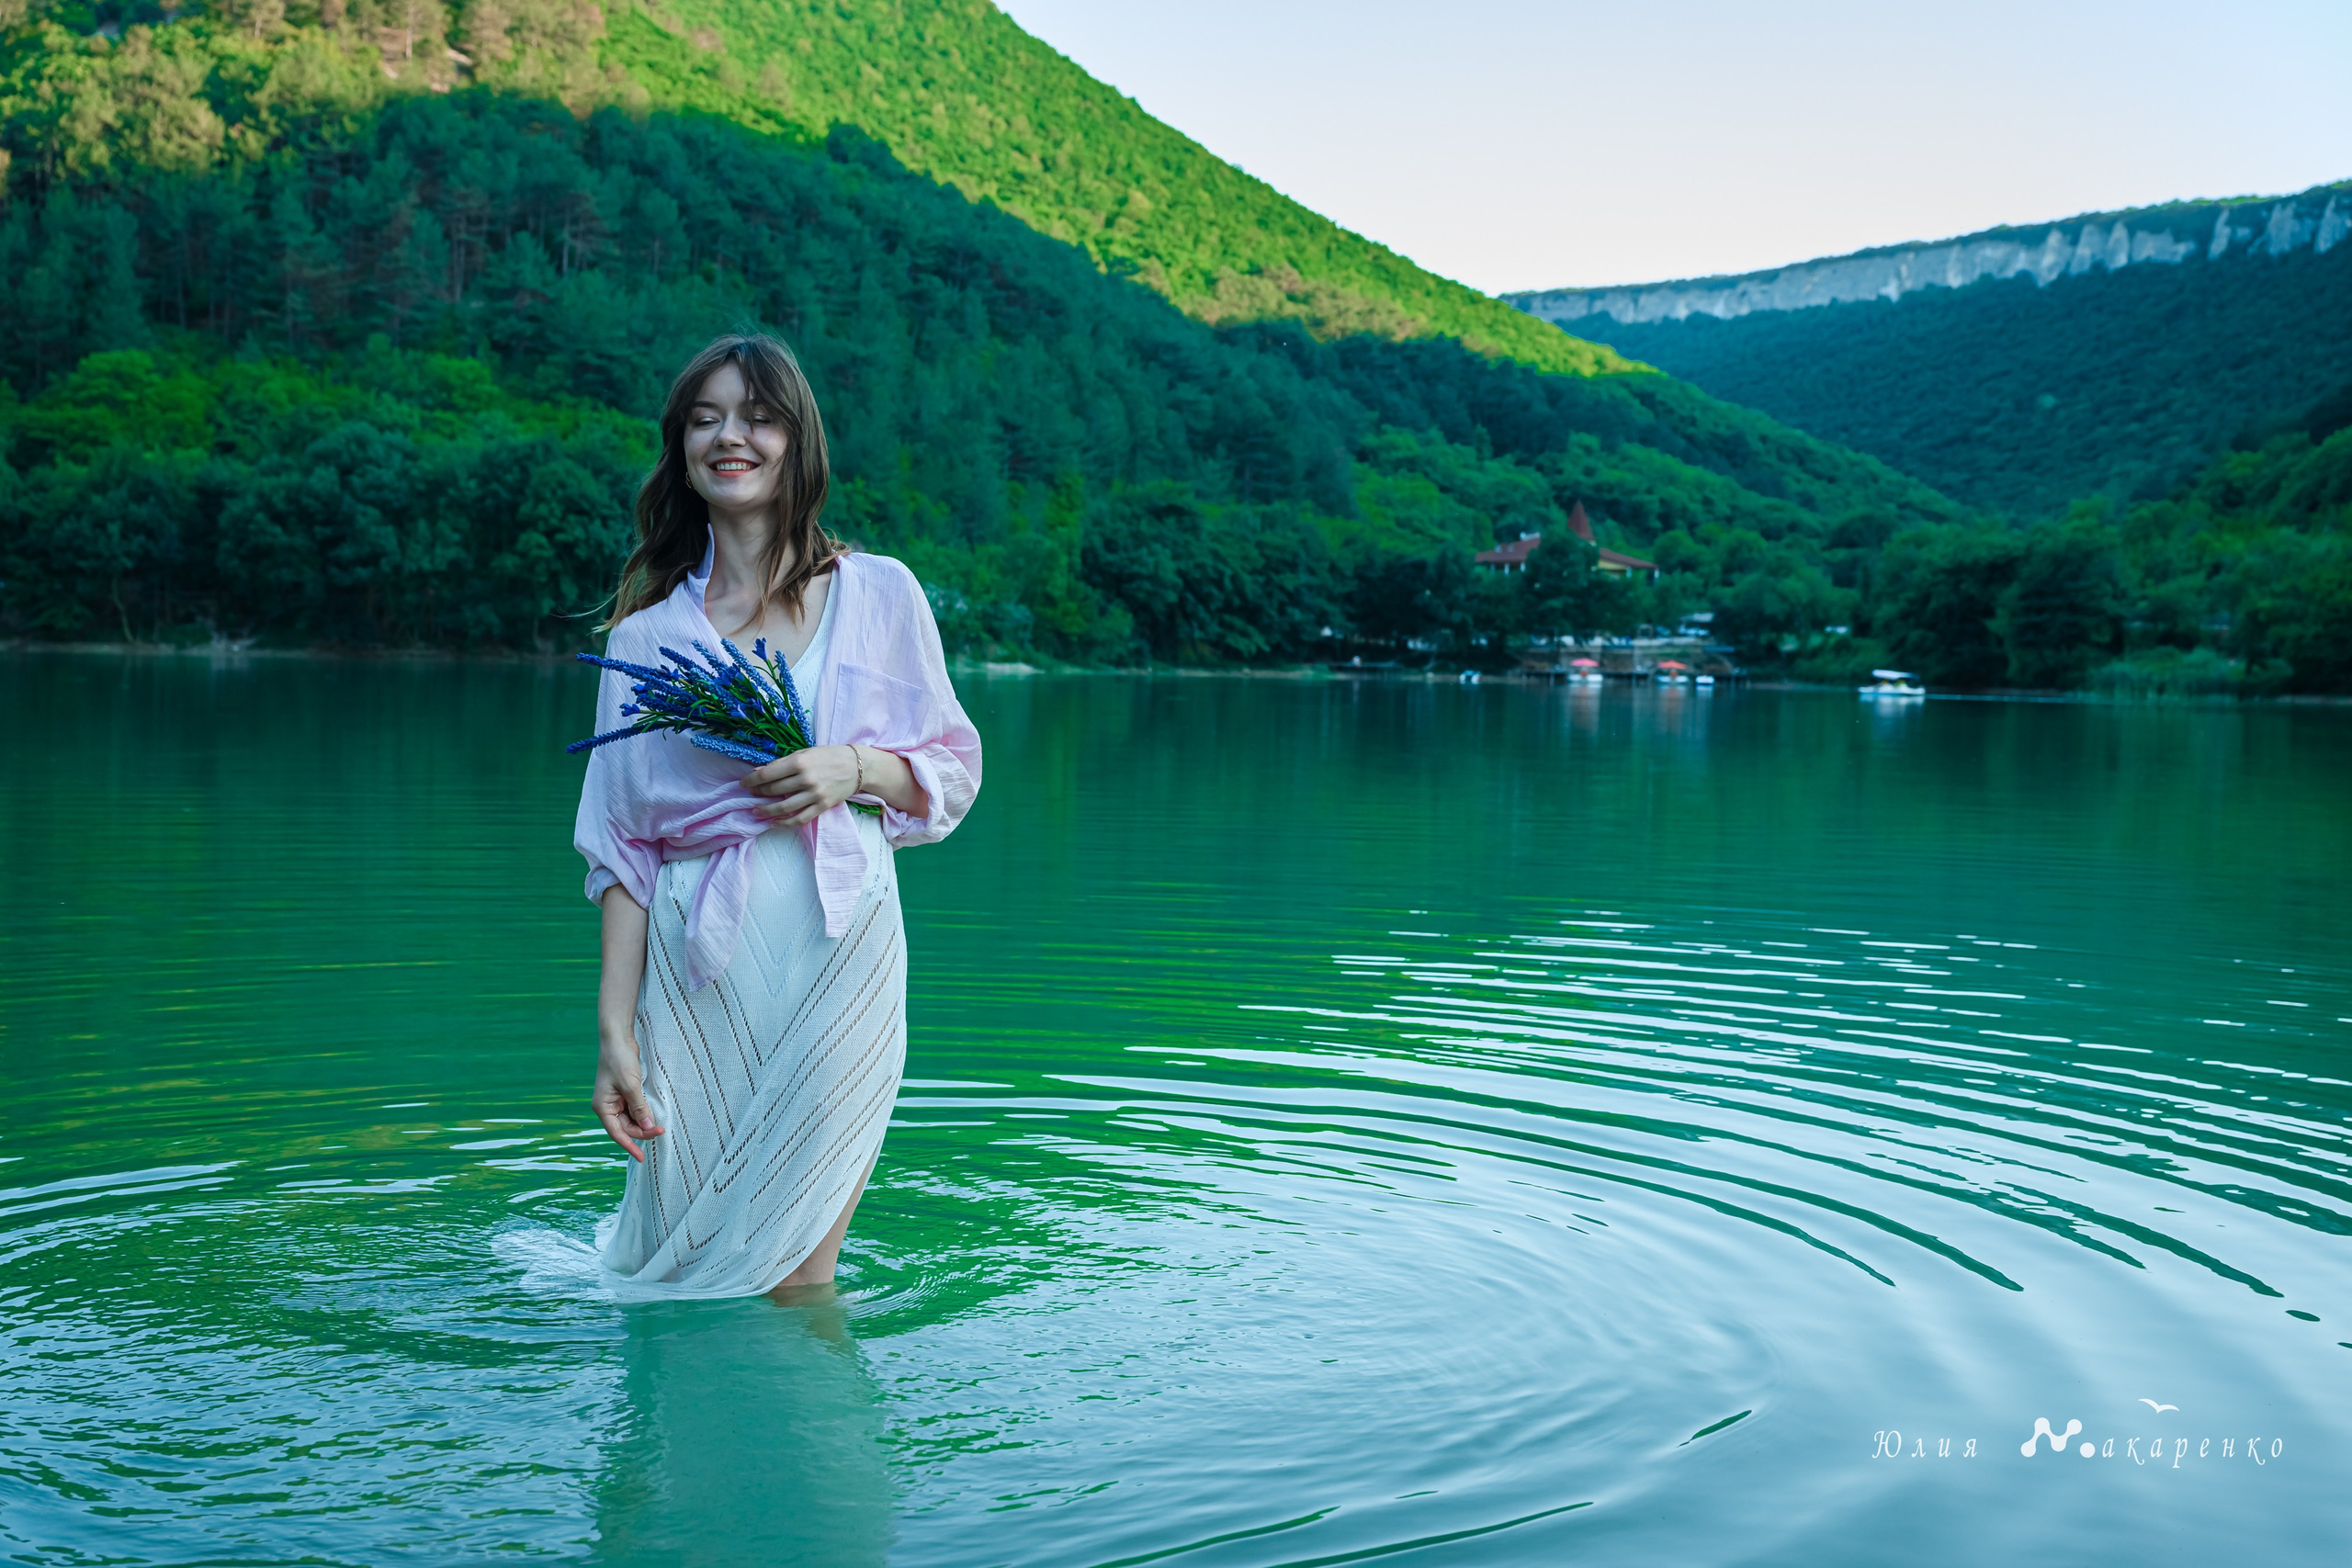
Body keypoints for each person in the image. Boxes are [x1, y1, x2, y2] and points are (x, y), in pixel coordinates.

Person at [572, 333, 981, 1300]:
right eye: (705, 419)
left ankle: (799, 1396)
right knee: (684, 1250)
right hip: (699, 970)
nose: (730, 437)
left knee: (801, 1271)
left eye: (757, 417)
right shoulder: (643, 641)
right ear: (681, 448)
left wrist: (855, 767)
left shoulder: (881, 594)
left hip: (844, 949)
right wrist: (614, 1031)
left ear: (798, 440)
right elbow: (624, 852)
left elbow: (950, 770)